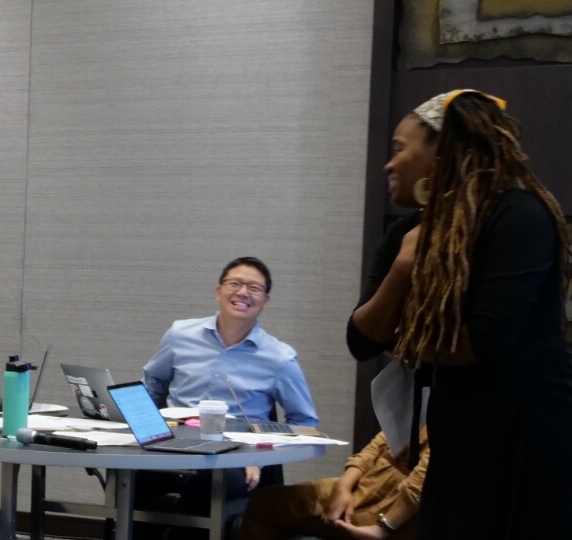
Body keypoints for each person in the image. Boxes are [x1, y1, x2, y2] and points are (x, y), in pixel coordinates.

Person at [347, 89, 572, 538]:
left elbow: (485, 341)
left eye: (399, 148)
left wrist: (405, 339)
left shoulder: (519, 214)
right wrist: (404, 267)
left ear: (443, 148)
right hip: (460, 423)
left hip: (526, 429)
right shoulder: (407, 234)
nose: (389, 164)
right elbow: (362, 339)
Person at [134, 257, 318, 538]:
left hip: (234, 458)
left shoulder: (279, 357)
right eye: (235, 284)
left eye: (254, 288)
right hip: (172, 446)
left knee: (206, 483)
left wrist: (259, 454)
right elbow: (153, 385)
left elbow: (304, 423)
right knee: (130, 477)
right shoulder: (180, 334)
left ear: (266, 300)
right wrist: (136, 422)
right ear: (218, 291)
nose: (243, 292)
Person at [238, 428, 428, 540]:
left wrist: (383, 528)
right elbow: (381, 442)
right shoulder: (418, 384)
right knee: (266, 503)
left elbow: (423, 479)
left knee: (265, 508)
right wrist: (343, 485)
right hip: (368, 480)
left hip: (397, 506)